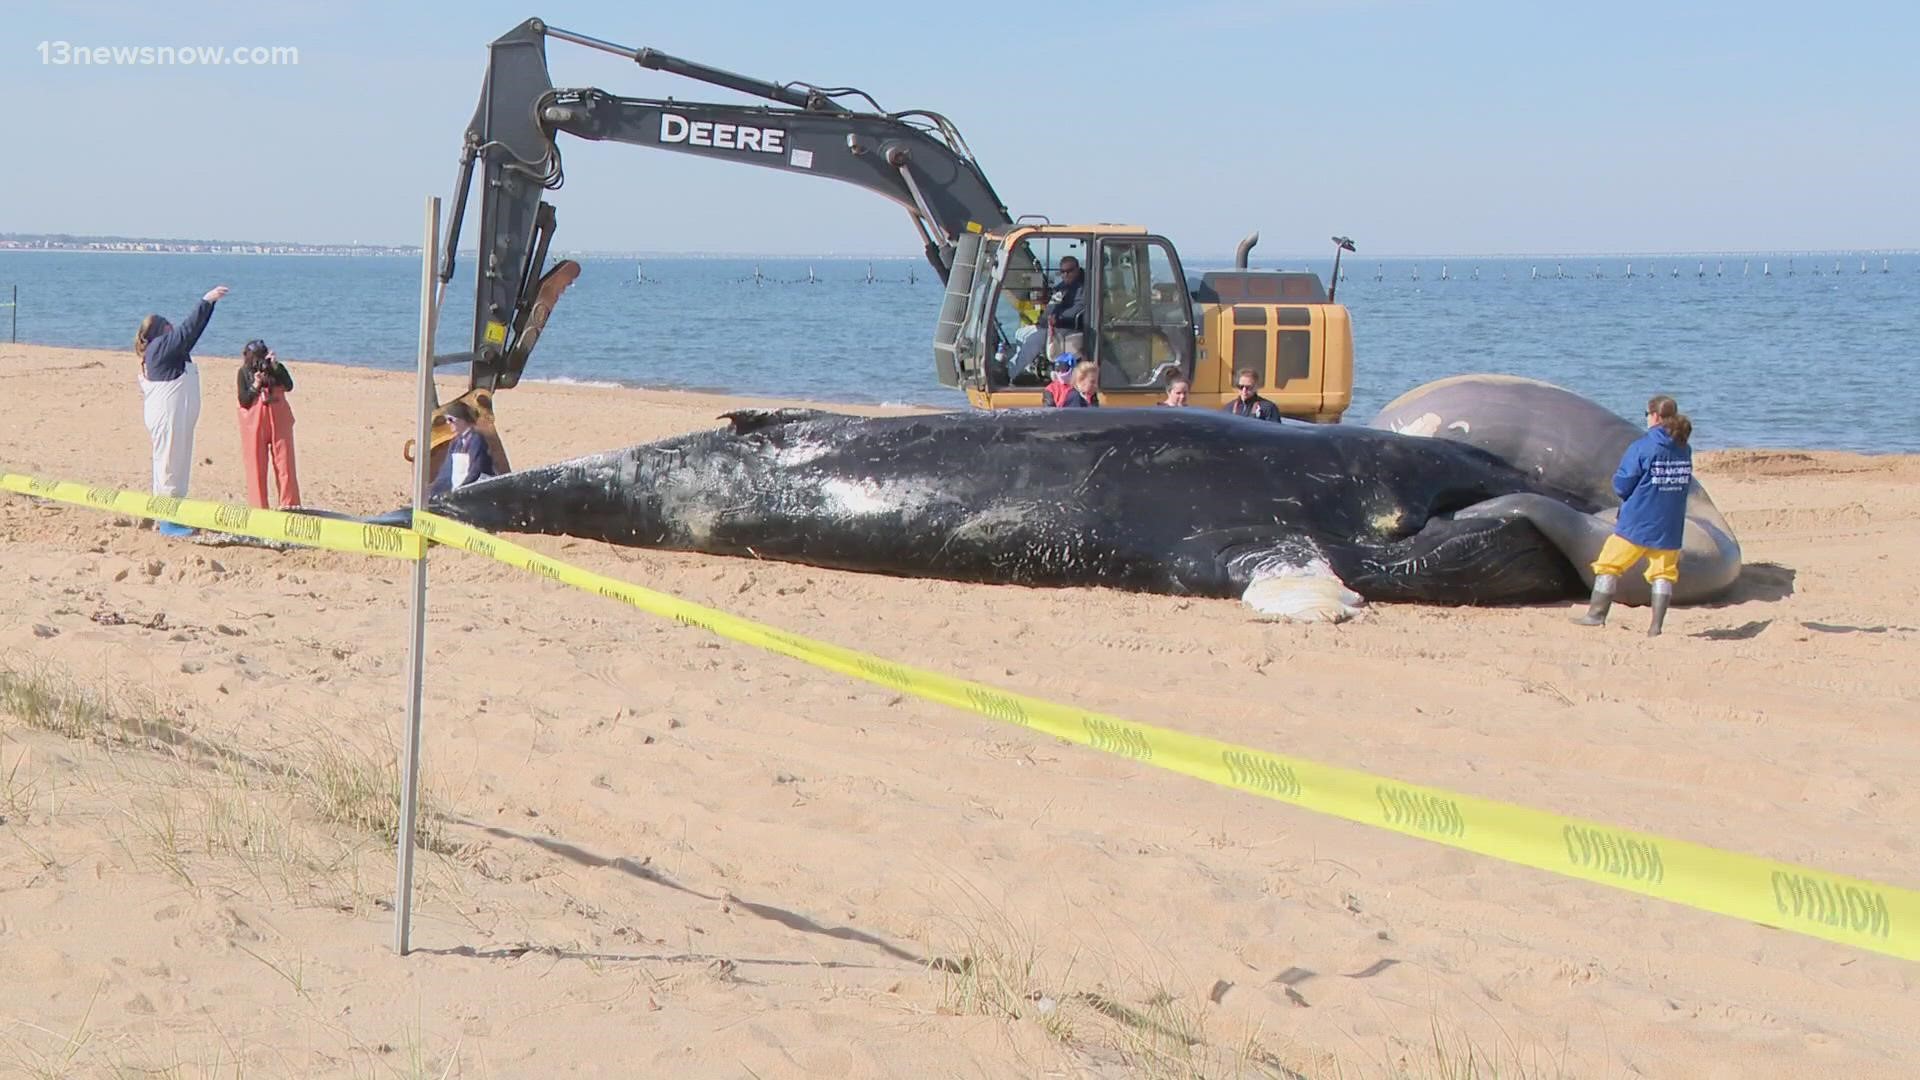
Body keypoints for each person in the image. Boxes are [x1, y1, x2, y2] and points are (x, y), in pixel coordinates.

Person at [1572, 394, 1695, 636]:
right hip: (1670, 523)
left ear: (1655, 416)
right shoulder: (1684, 447)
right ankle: (1656, 627)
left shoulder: (1643, 446)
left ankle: (1596, 615)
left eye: (1647, 414)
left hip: (1638, 522)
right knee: (1663, 573)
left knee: (1608, 564)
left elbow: (1622, 485)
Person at [134, 285, 228, 535]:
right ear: (161, 331)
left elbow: (187, 337)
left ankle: (166, 513)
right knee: (169, 463)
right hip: (168, 415)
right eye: (169, 328)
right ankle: (167, 521)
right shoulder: (159, 348)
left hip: (174, 415)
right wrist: (207, 302)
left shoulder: (164, 351)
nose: (173, 330)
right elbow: (189, 331)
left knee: (174, 461)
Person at [235, 339, 302, 509]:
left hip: (278, 415)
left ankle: (290, 505)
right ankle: (258, 507)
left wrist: (275, 367)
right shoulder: (243, 372)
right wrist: (256, 384)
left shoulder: (275, 368)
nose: (258, 363)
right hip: (254, 420)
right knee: (255, 464)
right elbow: (244, 400)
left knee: (285, 462)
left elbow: (289, 385)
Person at [431, 400, 499, 495]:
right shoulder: (455, 443)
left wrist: (461, 490)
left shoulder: (476, 440)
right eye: (446, 420)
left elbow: (476, 471)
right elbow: (445, 473)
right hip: (459, 493)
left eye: (450, 419)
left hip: (476, 494)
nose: (448, 423)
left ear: (462, 420)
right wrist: (432, 492)